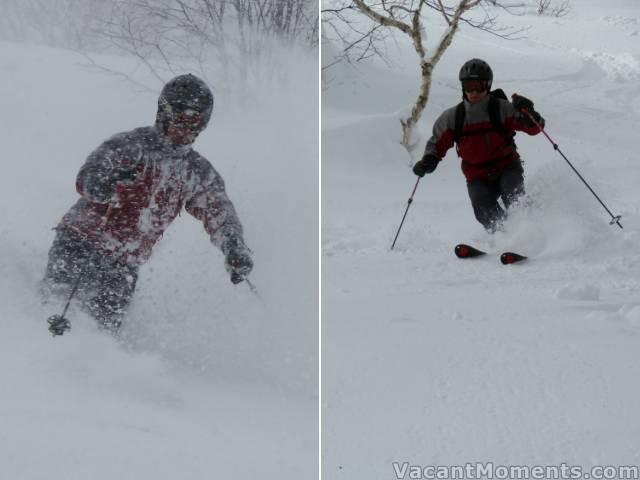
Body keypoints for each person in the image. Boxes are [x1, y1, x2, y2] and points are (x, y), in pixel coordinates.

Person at [42, 74, 253, 332]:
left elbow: (218, 209)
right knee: (53, 312)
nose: (186, 129)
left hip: (123, 265)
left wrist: (233, 245)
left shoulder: (196, 170)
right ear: (164, 114)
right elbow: (90, 173)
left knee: (100, 332)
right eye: (181, 118)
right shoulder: (130, 146)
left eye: (195, 121)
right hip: (81, 243)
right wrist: (102, 183)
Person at [412, 58, 545, 232]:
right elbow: (437, 142)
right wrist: (429, 159)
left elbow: (535, 128)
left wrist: (529, 113)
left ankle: (531, 230)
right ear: (462, 87)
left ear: (488, 85)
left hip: (506, 166)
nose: (473, 92)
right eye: (469, 86)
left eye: (478, 86)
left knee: (513, 196)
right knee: (483, 210)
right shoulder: (453, 117)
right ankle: (505, 236)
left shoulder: (502, 108)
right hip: (477, 174)